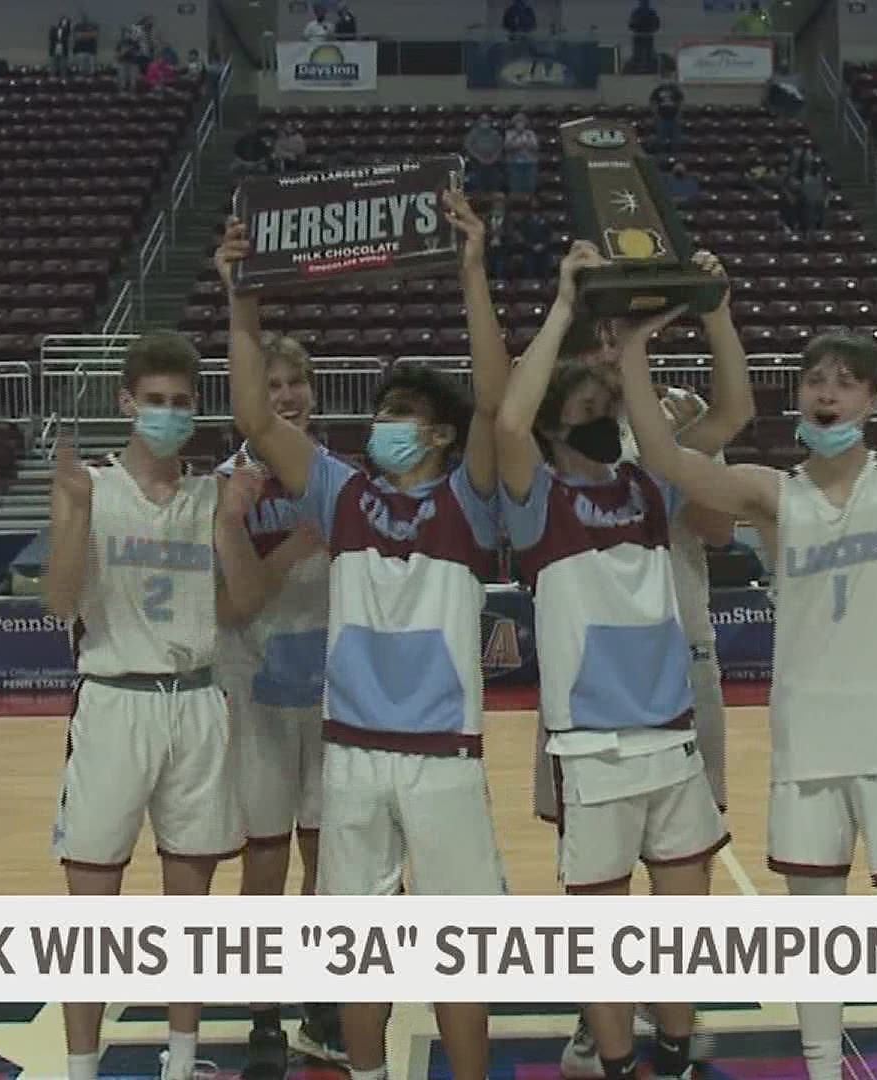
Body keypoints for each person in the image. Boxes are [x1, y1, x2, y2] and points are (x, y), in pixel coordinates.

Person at [614, 142, 877, 1080]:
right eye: (814, 379)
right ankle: (825, 1069)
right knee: (814, 931)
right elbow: (670, 464)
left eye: (844, 379)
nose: (825, 390)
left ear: (871, 400)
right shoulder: (769, 493)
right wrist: (634, 343)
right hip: (807, 738)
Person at [217, 188, 510, 1080]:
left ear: (441, 434)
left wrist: (472, 272)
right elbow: (255, 419)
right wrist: (242, 299)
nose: (380, 422)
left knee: (455, 953)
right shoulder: (343, 492)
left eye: (399, 412)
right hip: (352, 750)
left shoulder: (469, 499)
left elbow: (498, 409)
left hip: (442, 754)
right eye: (379, 410)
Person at [510, 262, 749, 1080]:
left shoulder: (650, 484)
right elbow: (507, 418)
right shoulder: (535, 499)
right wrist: (565, 302)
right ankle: (612, 1057)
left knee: (682, 931)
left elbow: (726, 415)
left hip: (673, 738)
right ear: (552, 429)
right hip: (593, 748)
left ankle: (675, 1055)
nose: (600, 421)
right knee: (601, 936)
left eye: (608, 412)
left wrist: (656, 341)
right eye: (585, 413)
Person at [42, 331, 278, 1080]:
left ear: (196, 410)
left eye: (181, 404)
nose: (168, 414)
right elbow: (55, 602)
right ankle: (82, 1068)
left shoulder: (215, 494)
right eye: (155, 402)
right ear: (127, 403)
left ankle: (181, 1061)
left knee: (190, 902)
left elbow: (242, 604)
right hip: (115, 702)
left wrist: (233, 524)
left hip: (198, 700)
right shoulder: (91, 487)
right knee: (92, 903)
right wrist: (76, 513)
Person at [214, 334, 349, 1072]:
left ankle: (322, 996)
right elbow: (222, 608)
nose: (288, 395)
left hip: (333, 698)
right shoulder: (222, 488)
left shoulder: (342, 482)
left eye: (298, 381)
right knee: (264, 860)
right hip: (257, 696)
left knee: (326, 856)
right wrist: (285, 552)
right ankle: (264, 1003)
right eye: (273, 385)